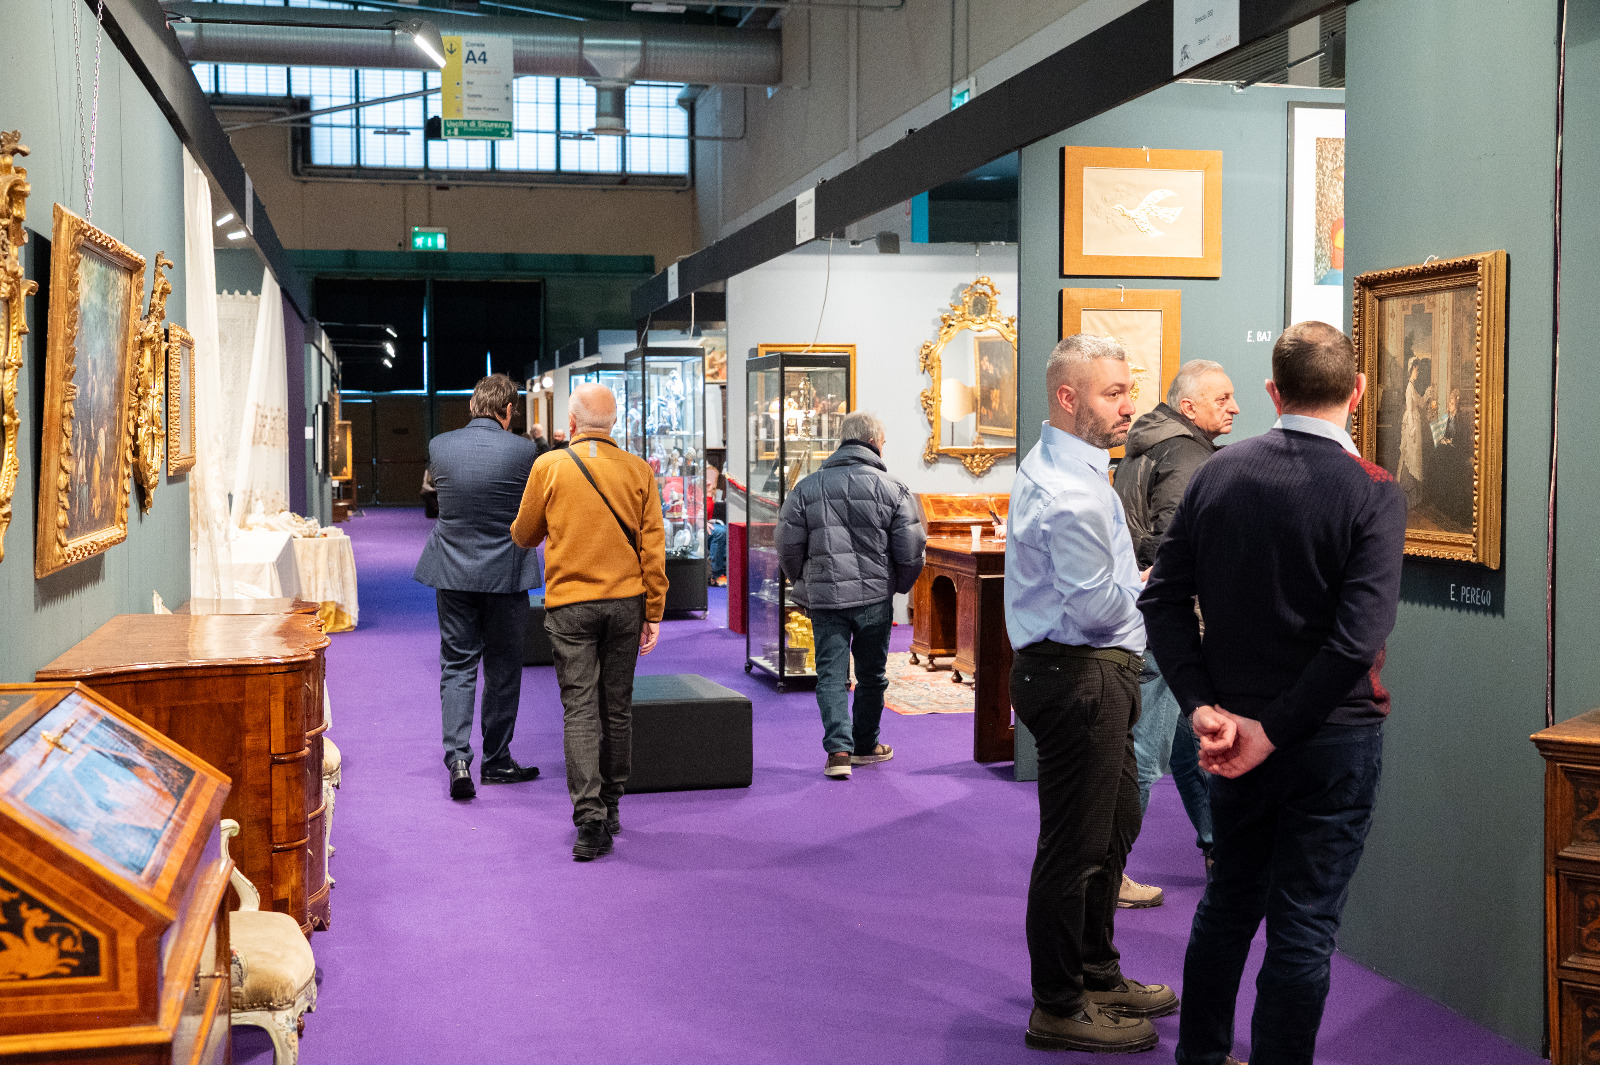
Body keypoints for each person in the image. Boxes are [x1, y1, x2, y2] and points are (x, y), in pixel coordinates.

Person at [1140, 321, 1406, 1065]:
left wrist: (1201, 705)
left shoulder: (1219, 474)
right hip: (1328, 739)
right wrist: (1268, 729)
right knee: (1303, 927)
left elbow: (1162, 599)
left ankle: (1201, 1055)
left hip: (1235, 734)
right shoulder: (1372, 490)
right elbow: (1355, 642)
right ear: (1357, 391)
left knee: (1229, 905)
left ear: (1271, 391)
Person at [1005, 334, 1177, 1054]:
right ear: (1067, 397)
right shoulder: (1070, 490)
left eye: (1129, 389)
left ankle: (1096, 972)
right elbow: (1100, 608)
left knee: (1112, 827)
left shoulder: (1071, 468)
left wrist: (1130, 587)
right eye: (1113, 393)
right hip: (1079, 673)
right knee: (1074, 847)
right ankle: (1058, 1003)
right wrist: (1153, 588)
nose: (1129, 406)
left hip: (1087, 671)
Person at [511, 382, 668, 861]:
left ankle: (590, 819)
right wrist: (654, 610)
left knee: (579, 709)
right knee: (616, 707)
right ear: (614, 423)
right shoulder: (638, 470)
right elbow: (653, 548)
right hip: (626, 602)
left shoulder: (549, 466)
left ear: (572, 423)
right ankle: (613, 805)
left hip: (570, 604)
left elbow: (524, 535)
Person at [1112, 359, 1239, 907]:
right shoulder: (1187, 455)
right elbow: (1177, 545)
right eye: (1222, 399)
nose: (1234, 408)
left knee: (1188, 748)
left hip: (1149, 615)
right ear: (1188, 407)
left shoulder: (1147, 444)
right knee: (1146, 755)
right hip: (1171, 623)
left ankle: (1220, 852)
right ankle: (1108, 874)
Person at [413, 373, 543, 801]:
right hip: (506, 573)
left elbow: (436, 501)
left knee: (457, 664)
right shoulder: (525, 450)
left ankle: (458, 760)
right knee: (503, 667)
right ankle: (497, 761)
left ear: (472, 406)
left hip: (452, 571)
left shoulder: (440, 445)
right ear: (509, 410)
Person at [775, 411, 925, 780]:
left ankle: (838, 753)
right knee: (872, 675)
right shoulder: (893, 488)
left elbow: (787, 544)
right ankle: (866, 745)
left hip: (826, 597)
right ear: (874, 442)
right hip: (875, 597)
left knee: (830, 674)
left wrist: (803, 579)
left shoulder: (807, 487)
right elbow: (911, 549)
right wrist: (897, 585)